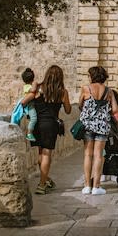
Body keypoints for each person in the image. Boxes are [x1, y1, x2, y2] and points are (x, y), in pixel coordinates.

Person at [22, 64, 71, 195]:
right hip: (50, 126)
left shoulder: (38, 89)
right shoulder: (63, 92)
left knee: (40, 153)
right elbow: (68, 110)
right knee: (46, 154)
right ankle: (42, 185)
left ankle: (46, 179)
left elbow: (23, 102)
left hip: (37, 124)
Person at [78, 66, 118, 196]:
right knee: (98, 156)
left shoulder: (85, 89)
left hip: (88, 126)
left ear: (92, 76)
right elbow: (115, 109)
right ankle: (96, 186)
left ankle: (86, 186)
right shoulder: (108, 91)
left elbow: (80, 105)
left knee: (87, 155)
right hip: (102, 126)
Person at [12, 68, 38, 142]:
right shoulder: (27, 87)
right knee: (33, 119)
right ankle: (29, 133)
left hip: (31, 105)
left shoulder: (27, 86)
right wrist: (35, 84)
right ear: (32, 79)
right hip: (30, 106)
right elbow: (33, 90)